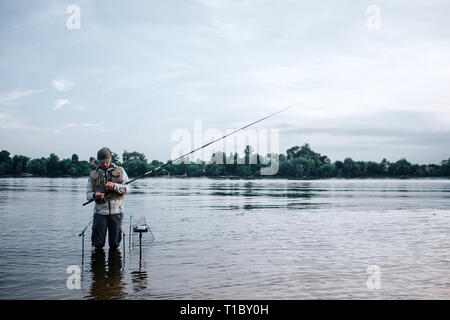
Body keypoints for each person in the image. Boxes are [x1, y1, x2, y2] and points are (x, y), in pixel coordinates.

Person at [86, 147, 130, 250]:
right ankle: (98, 266)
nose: (105, 165)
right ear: (98, 162)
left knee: (115, 244)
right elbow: (88, 194)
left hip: (117, 213)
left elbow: (127, 189)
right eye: (102, 162)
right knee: (98, 244)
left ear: (110, 159)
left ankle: (115, 265)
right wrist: (94, 195)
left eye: (106, 162)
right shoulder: (93, 175)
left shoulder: (121, 170)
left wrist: (115, 186)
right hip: (100, 214)